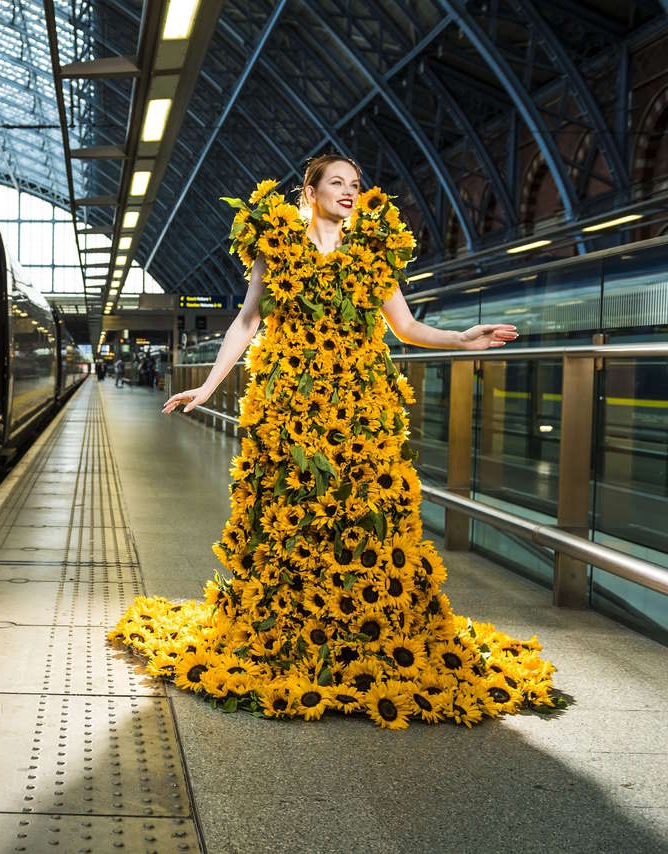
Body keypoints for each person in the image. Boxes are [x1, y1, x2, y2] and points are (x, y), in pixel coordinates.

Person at [109, 155, 557, 729]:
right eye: (337, 183)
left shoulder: (375, 251)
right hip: (287, 408)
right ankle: (293, 633)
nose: (349, 192)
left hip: (362, 414)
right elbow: (247, 323)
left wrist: (462, 339)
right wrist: (207, 385)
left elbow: (407, 327)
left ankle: (363, 632)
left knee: (366, 516)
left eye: (356, 185)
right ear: (311, 190)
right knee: (292, 516)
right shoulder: (276, 245)